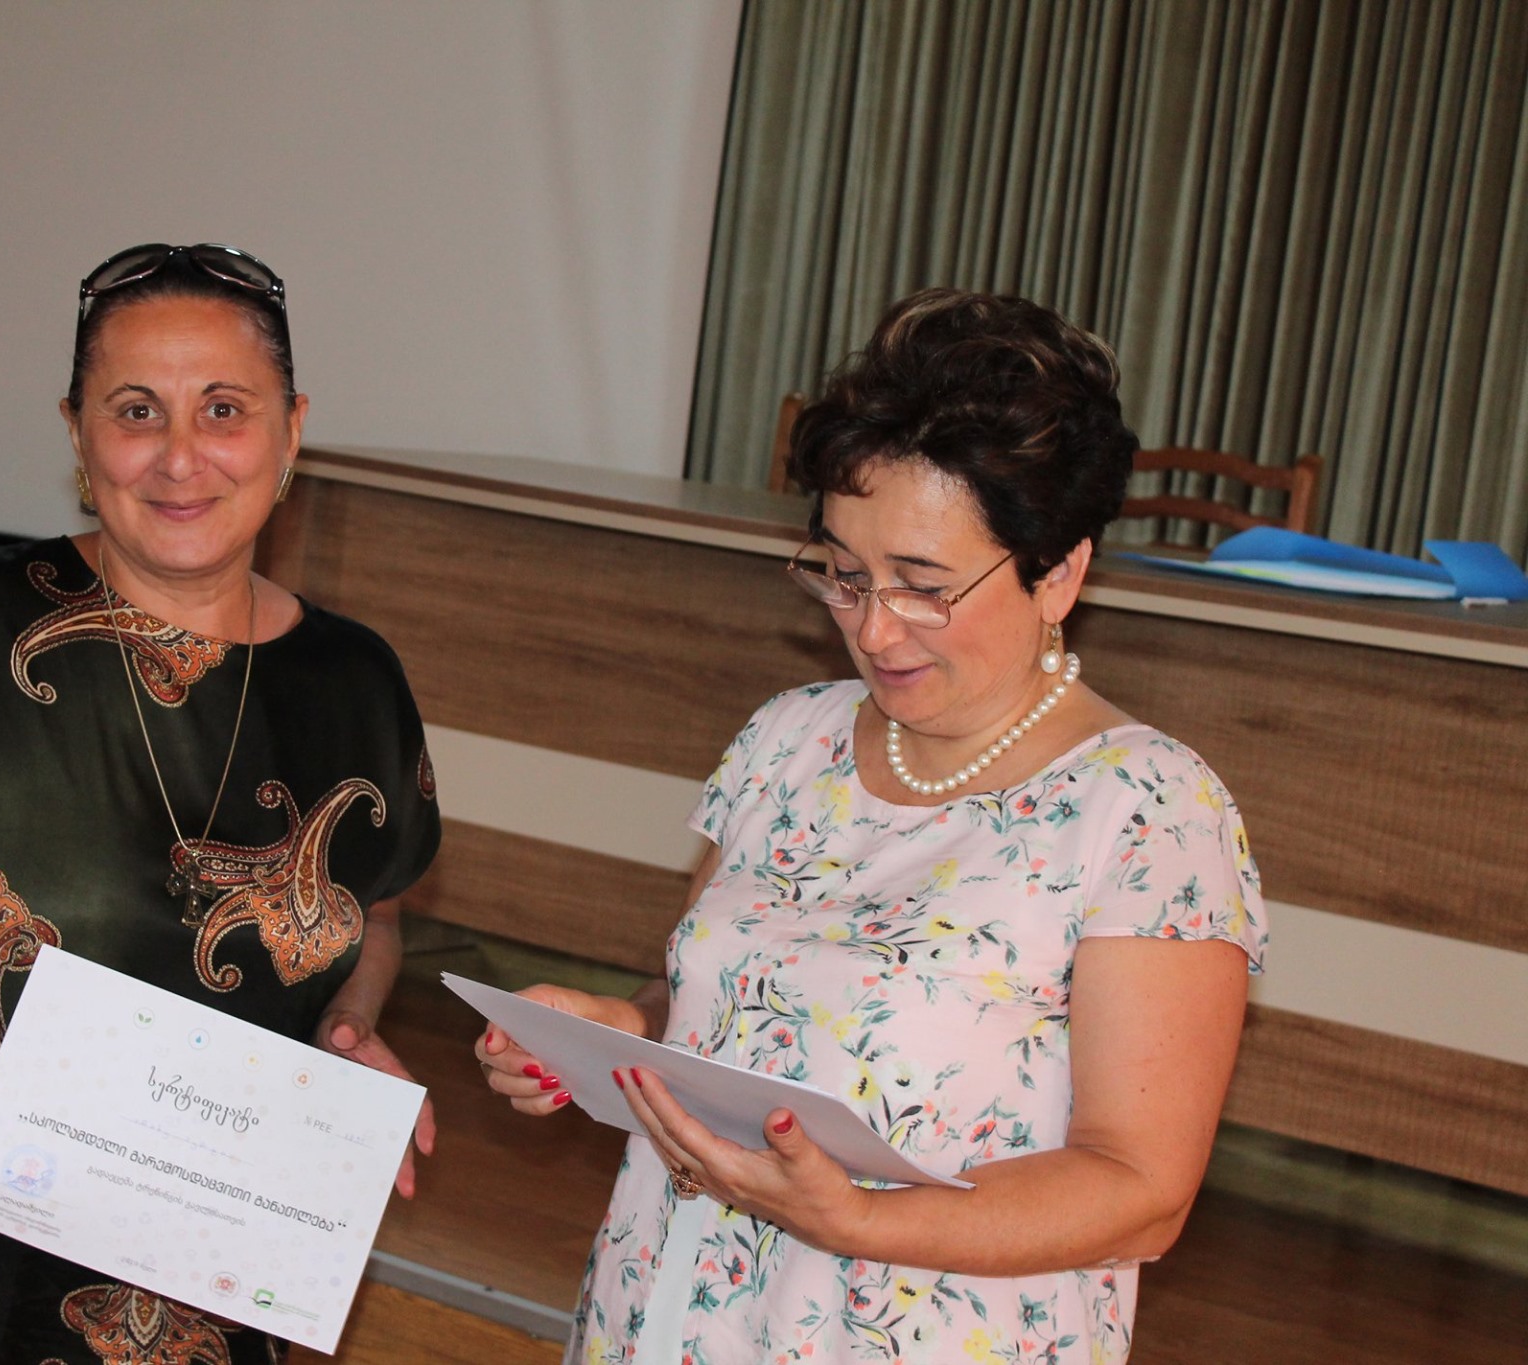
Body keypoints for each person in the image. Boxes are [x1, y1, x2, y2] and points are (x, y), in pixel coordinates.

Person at [478, 289, 1265, 1364]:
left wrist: (858, 1220)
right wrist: (607, 1030)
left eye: (923, 586)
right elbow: (707, 1007)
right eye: (845, 576)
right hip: (670, 1304)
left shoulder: (1146, 811)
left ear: (1058, 573)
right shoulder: (787, 739)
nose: (875, 629)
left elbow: (1140, 1191)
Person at [0, 243, 441, 1364]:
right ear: (76, 432)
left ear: (292, 430)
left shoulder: (358, 685)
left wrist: (344, 1037)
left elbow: (376, 915)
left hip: (191, 1268)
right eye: (134, 411)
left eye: (223, 410)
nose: (179, 457)